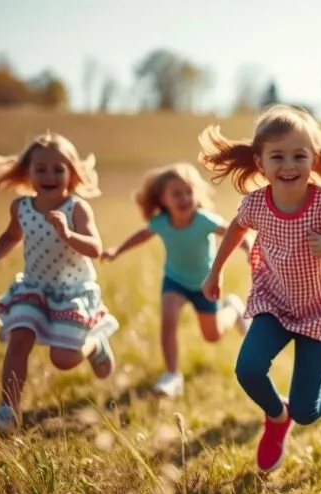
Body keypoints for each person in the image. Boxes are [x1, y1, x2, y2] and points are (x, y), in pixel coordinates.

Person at [198, 105, 321, 473]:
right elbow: (236, 229)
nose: (289, 165)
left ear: (314, 160)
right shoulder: (257, 203)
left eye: (299, 156)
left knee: (306, 410)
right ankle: (277, 419)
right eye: (278, 156)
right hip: (273, 304)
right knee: (248, 369)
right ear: (261, 163)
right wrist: (215, 271)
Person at [0, 132, 118, 433]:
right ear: (28, 172)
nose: (49, 175)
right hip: (34, 289)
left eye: (58, 169)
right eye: (41, 169)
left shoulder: (76, 208)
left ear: (71, 173)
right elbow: (12, 236)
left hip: (72, 292)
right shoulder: (22, 207)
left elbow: (95, 247)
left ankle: (94, 344)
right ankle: (7, 411)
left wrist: (68, 234)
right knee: (19, 337)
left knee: (63, 360)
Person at [102, 162, 251, 397]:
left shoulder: (204, 220)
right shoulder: (161, 223)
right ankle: (172, 375)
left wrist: (249, 249)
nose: (184, 199)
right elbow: (142, 235)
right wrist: (117, 250)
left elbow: (235, 232)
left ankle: (232, 309)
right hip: (175, 281)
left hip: (205, 284)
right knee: (168, 319)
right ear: (163, 199)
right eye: (176, 194)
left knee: (212, 336)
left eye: (188, 192)